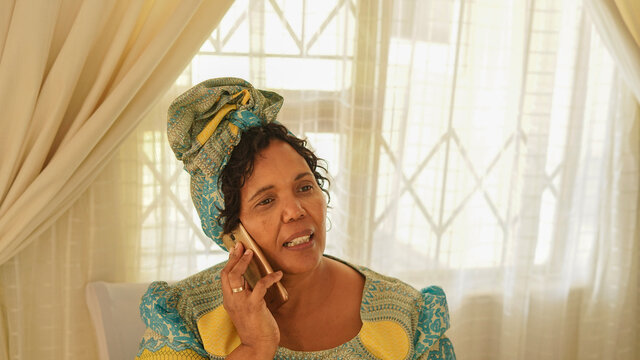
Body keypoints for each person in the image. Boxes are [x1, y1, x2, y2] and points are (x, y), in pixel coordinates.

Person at [135, 78, 456, 359]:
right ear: (230, 229)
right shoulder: (186, 317)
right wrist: (256, 347)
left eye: (304, 187)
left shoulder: (406, 316)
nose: (296, 210)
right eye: (267, 200)